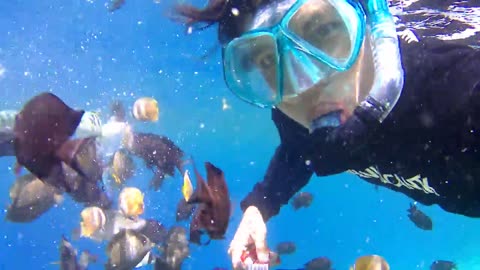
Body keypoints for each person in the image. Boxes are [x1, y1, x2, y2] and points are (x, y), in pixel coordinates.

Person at [171, 0, 480, 268]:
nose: (305, 84)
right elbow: (297, 152)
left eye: (320, 30)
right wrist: (259, 208)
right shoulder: (292, 112)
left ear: (367, 23)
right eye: (267, 60)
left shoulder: (455, 86)